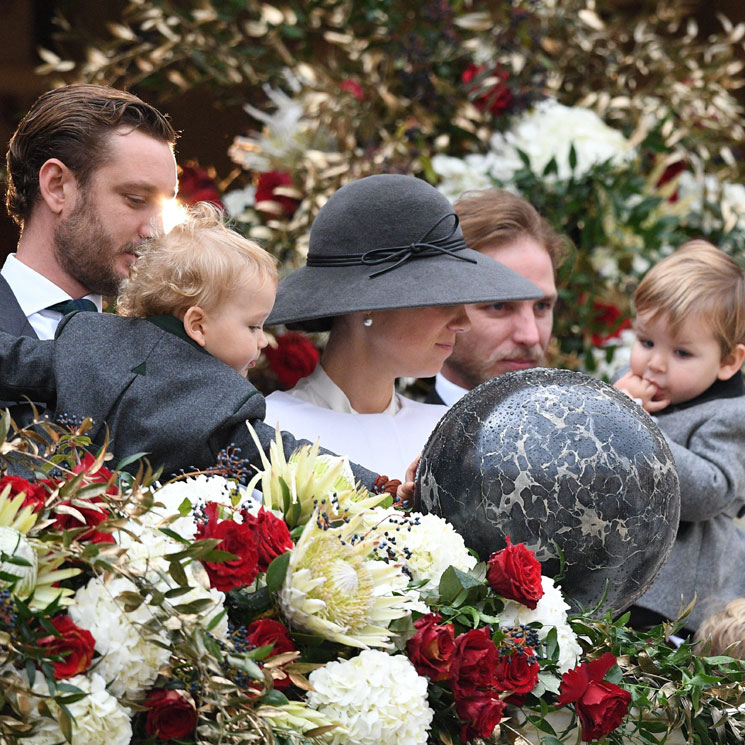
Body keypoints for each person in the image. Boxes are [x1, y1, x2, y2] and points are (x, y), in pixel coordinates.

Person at [0, 204, 378, 490]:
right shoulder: (219, 404)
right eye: (252, 326)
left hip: (44, 513)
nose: (263, 340)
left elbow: (16, 361)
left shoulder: (93, 338)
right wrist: (380, 488)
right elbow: (290, 460)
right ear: (198, 324)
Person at [263, 174, 542, 478]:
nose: (463, 323)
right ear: (366, 302)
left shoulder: (453, 433)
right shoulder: (269, 433)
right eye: (441, 298)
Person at [614, 240, 745, 633]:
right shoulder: (632, 387)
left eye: (682, 353)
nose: (654, 363)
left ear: (728, 362)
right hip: (614, 571)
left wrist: (633, 424)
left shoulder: (731, 414)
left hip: (672, 598)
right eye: (646, 342)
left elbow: (711, 491)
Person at [1, 83, 178, 340]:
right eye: (136, 200)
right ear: (56, 186)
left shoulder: (161, 344)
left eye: (165, 208)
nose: (155, 232)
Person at [426, 189, 566, 406]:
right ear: (437, 308)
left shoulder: (586, 432)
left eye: (541, 306)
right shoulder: (399, 438)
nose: (530, 336)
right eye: (499, 306)